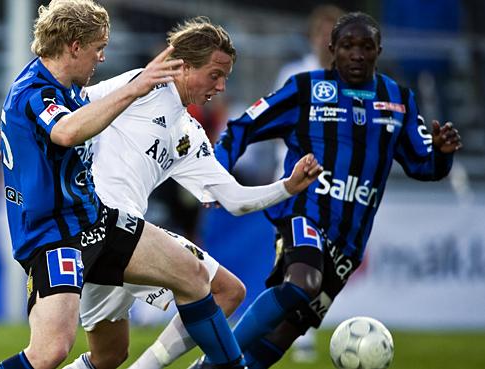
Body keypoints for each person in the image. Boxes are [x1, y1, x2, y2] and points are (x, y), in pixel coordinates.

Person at [0, 13, 322, 369]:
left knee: (116, 352)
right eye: (215, 74)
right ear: (184, 67)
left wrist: (286, 187)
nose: (221, 86)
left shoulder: (189, 134)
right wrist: (23, 132)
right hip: (70, 229)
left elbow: (234, 199)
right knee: (52, 351)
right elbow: (69, 122)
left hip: (105, 225)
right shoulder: (136, 86)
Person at [194, 12, 462, 369]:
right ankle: (212, 362)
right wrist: (216, 177)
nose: (357, 54)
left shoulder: (398, 101)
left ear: (378, 51)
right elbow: (242, 127)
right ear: (332, 49)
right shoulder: (305, 89)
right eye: (348, 45)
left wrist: (441, 155)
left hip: (349, 241)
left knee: (285, 331)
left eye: (366, 46)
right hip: (303, 212)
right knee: (303, 281)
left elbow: (423, 166)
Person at [272, 5, 344, 362]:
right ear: (313, 37)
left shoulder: (352, 82)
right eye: (323, 34)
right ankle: (292, 333)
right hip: (292, 182)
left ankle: (294, 326)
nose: (328, 42)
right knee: (292, 256)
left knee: (321, 263)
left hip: (336, 188)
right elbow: (271, 122)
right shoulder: (294, 74)